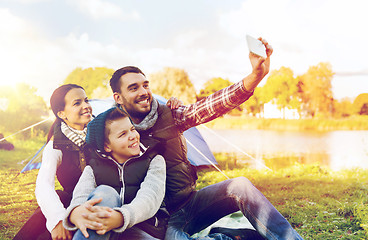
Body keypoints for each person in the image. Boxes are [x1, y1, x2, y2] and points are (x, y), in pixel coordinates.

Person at [105, 38, 304, 240]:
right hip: (160, 221)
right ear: (118, 98)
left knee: (240, 185)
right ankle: (227, 236)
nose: (143, 92)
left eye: (145, 85)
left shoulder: (171, 115)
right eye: (133, 88)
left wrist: (255, 76)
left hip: (191, 204)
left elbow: (212, 106)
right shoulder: (110, 133)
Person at [63, 107, 168, 240]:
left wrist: (120, 218)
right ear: (107, 146)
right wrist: (75, 212)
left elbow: (150, 198)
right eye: (122, 134)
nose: (133, 136)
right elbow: (81, 195)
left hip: (145, 228)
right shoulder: (94, 167)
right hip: (103, 230)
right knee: (105, 193)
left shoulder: (153, 160)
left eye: (132, 129)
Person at [13, 84, 93, 240]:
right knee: (58, 199)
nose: (86, 106)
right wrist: (57, 219)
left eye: (86, 100)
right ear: (62, 113)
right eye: (77, 103)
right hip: (72, 202)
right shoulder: (56, 145)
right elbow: (43, 184)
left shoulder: (101, 131)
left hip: (101, 199)